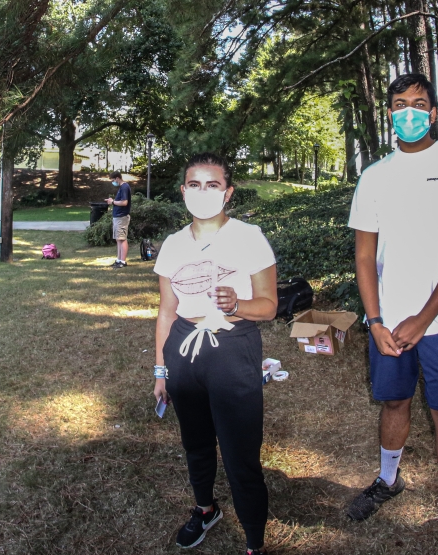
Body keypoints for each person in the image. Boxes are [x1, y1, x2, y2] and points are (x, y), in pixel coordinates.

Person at [343, 73, 438, 555]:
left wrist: (424, 319)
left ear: (433, 111)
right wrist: (376, 320)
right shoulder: (374, 176)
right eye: (399, 104)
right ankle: (388, 481)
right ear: (388, 113)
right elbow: (364, 257)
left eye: (419, 103)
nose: (409, 111)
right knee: (393, 403)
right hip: (387, 322)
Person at [152, 153, 278, 555]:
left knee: (241, 455)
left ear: (228, 193)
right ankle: (205, 509)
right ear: (183, 191)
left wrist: (236, 304)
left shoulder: (249, 237)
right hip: (183, 350)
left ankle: (254, 542)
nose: (202, 192)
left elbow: (270, 305)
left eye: (212, 185)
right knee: (196, 442)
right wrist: (160, 370)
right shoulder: (172, 245)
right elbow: (167, 311)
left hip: (232, 348)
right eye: (194, 184)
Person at [105, 170, 132, 268]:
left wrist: (113, 202)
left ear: (117, 178)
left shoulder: (124, 187)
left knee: (122, 239)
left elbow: (124, 202)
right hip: (117, 217)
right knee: (118, 239)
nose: (113, 182)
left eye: (113, 180)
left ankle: (123, 261)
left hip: (122, 217)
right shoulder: (122, 187)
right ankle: (118, 260)